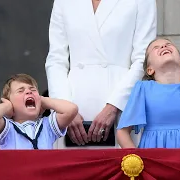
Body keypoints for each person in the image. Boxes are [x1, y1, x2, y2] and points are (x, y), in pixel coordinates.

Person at [45, 0, 157, 148]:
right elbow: (56, 60)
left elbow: (143, 58)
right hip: (74, 103)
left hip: (123, 104)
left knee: (123, 166)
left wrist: (114, 105)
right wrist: (64, 109)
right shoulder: (64, 2)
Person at [117, 38, 180, 148]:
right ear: (150, 69)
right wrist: (136, 160)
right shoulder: (143, 89)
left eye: (168, 44)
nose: (163, 47)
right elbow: (122, 132)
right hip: (153, 159)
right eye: (156, 48)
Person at [0, 74, 77, 149]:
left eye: (33, 90)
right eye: (20, 91)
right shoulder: (7, 129)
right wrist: (7, 106)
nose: (29, 92)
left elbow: (71, 109)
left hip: (43, 173)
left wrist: (42, 100)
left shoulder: (47, 126)